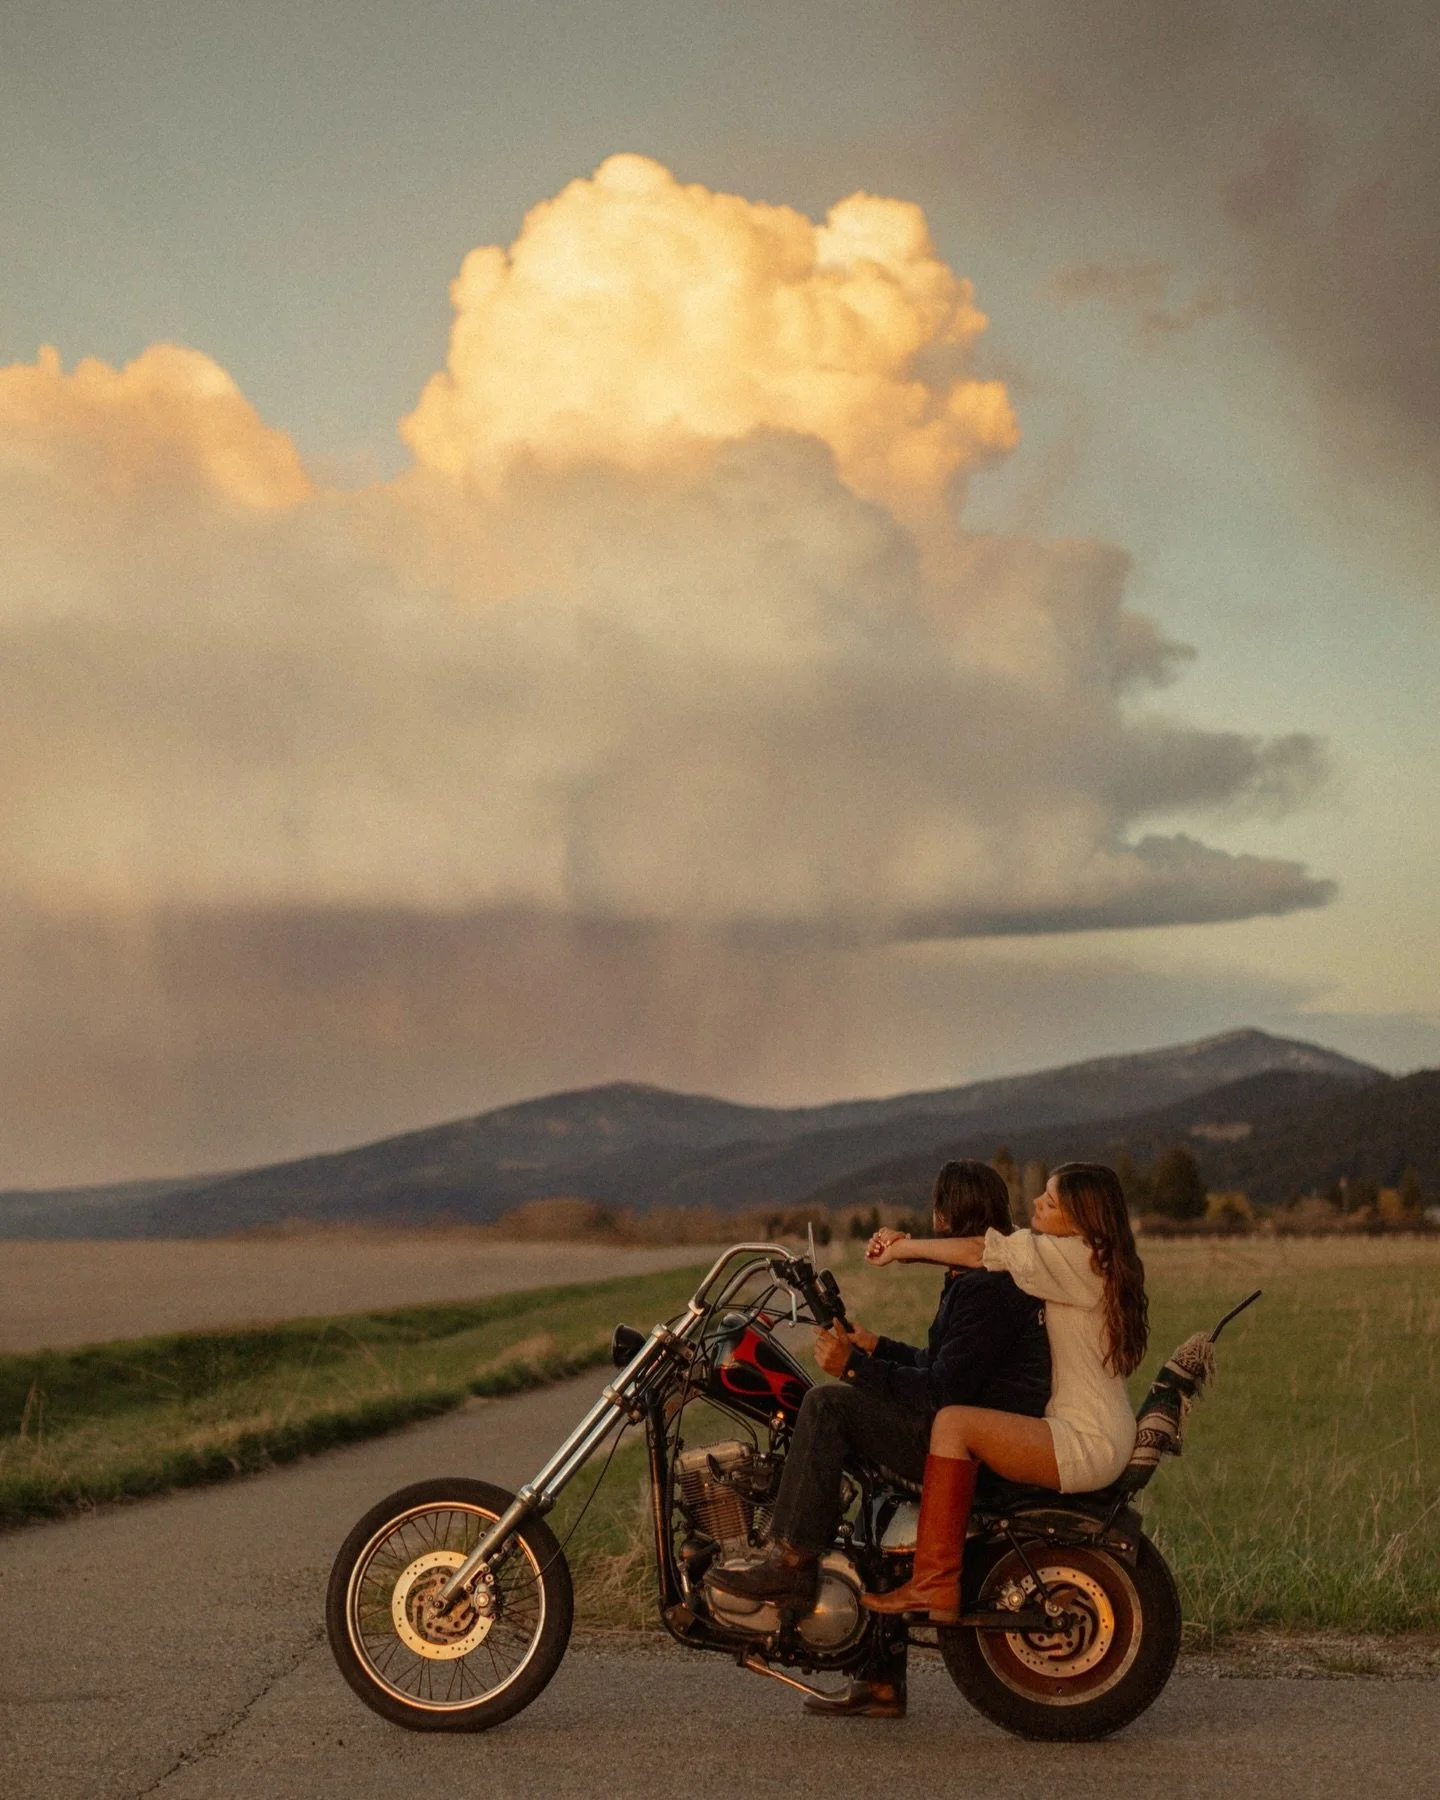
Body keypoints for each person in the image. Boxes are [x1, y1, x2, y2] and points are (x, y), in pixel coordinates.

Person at [709, 1160, 1050, 1718]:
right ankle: (880, 1681)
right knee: (875, 1495)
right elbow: (943, 1366)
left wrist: (852, 1370)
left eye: (935, 1207)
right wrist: (876, 1347)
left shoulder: (988, 1288)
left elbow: (940, 1391)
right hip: (968, 1428)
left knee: (826, 1405)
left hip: (969, 1444)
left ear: (944, 1214)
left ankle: (790, 1561)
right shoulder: (978, 1280)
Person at [860, 1161, 1148, 1624]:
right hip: (1085, 1431)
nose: (1036, 1203)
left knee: (953, 1422)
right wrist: (910, 1252)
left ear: (1079, 1219)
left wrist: (903, 1249)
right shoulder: (1085, 1257)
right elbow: (996, 1248)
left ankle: (932, 1584)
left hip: (1086, 1440)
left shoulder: (1080, 1257)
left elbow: (982, 1250)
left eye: (1050, 1201)